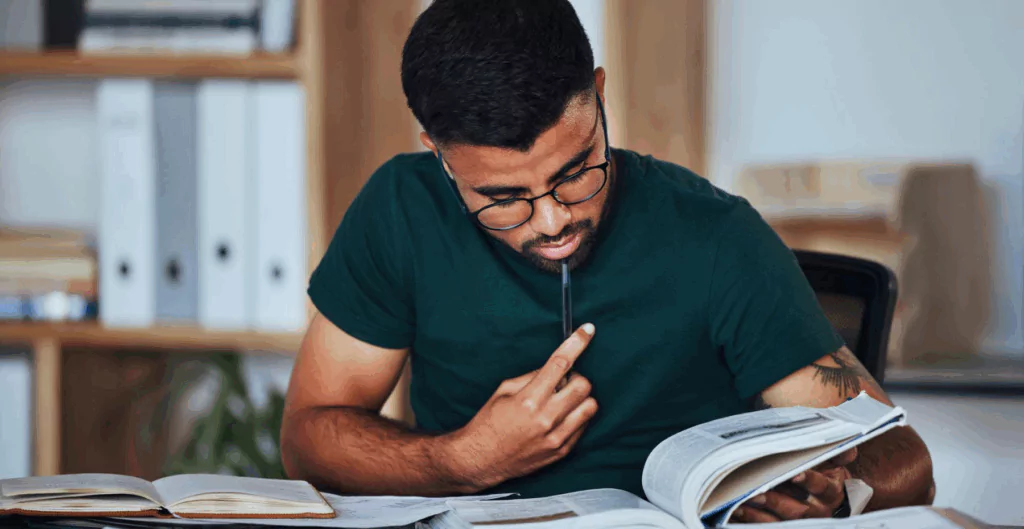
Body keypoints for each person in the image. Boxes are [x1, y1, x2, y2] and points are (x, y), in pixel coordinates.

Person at [280, 0, 935, 521]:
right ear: (438, 151)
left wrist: (837, 493)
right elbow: (308, 436)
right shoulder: (401, 209)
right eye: (503, 198)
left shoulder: (716, 235)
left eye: (574, 173)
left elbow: (903, 458)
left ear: (598, 94)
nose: (552, 219)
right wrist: (465, 458)